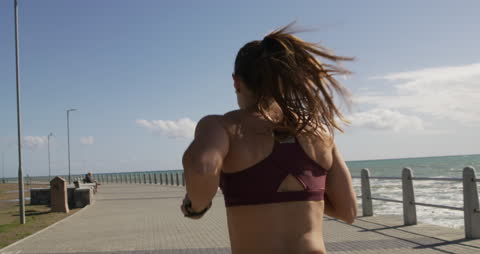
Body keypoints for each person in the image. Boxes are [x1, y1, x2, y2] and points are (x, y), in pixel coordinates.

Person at [181, 24, 357, 254]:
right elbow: (348, 211)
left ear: (236, 82)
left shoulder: (222, 126)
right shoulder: (318, 132)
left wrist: (196, 207)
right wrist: (302, 196)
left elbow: (202, 168)